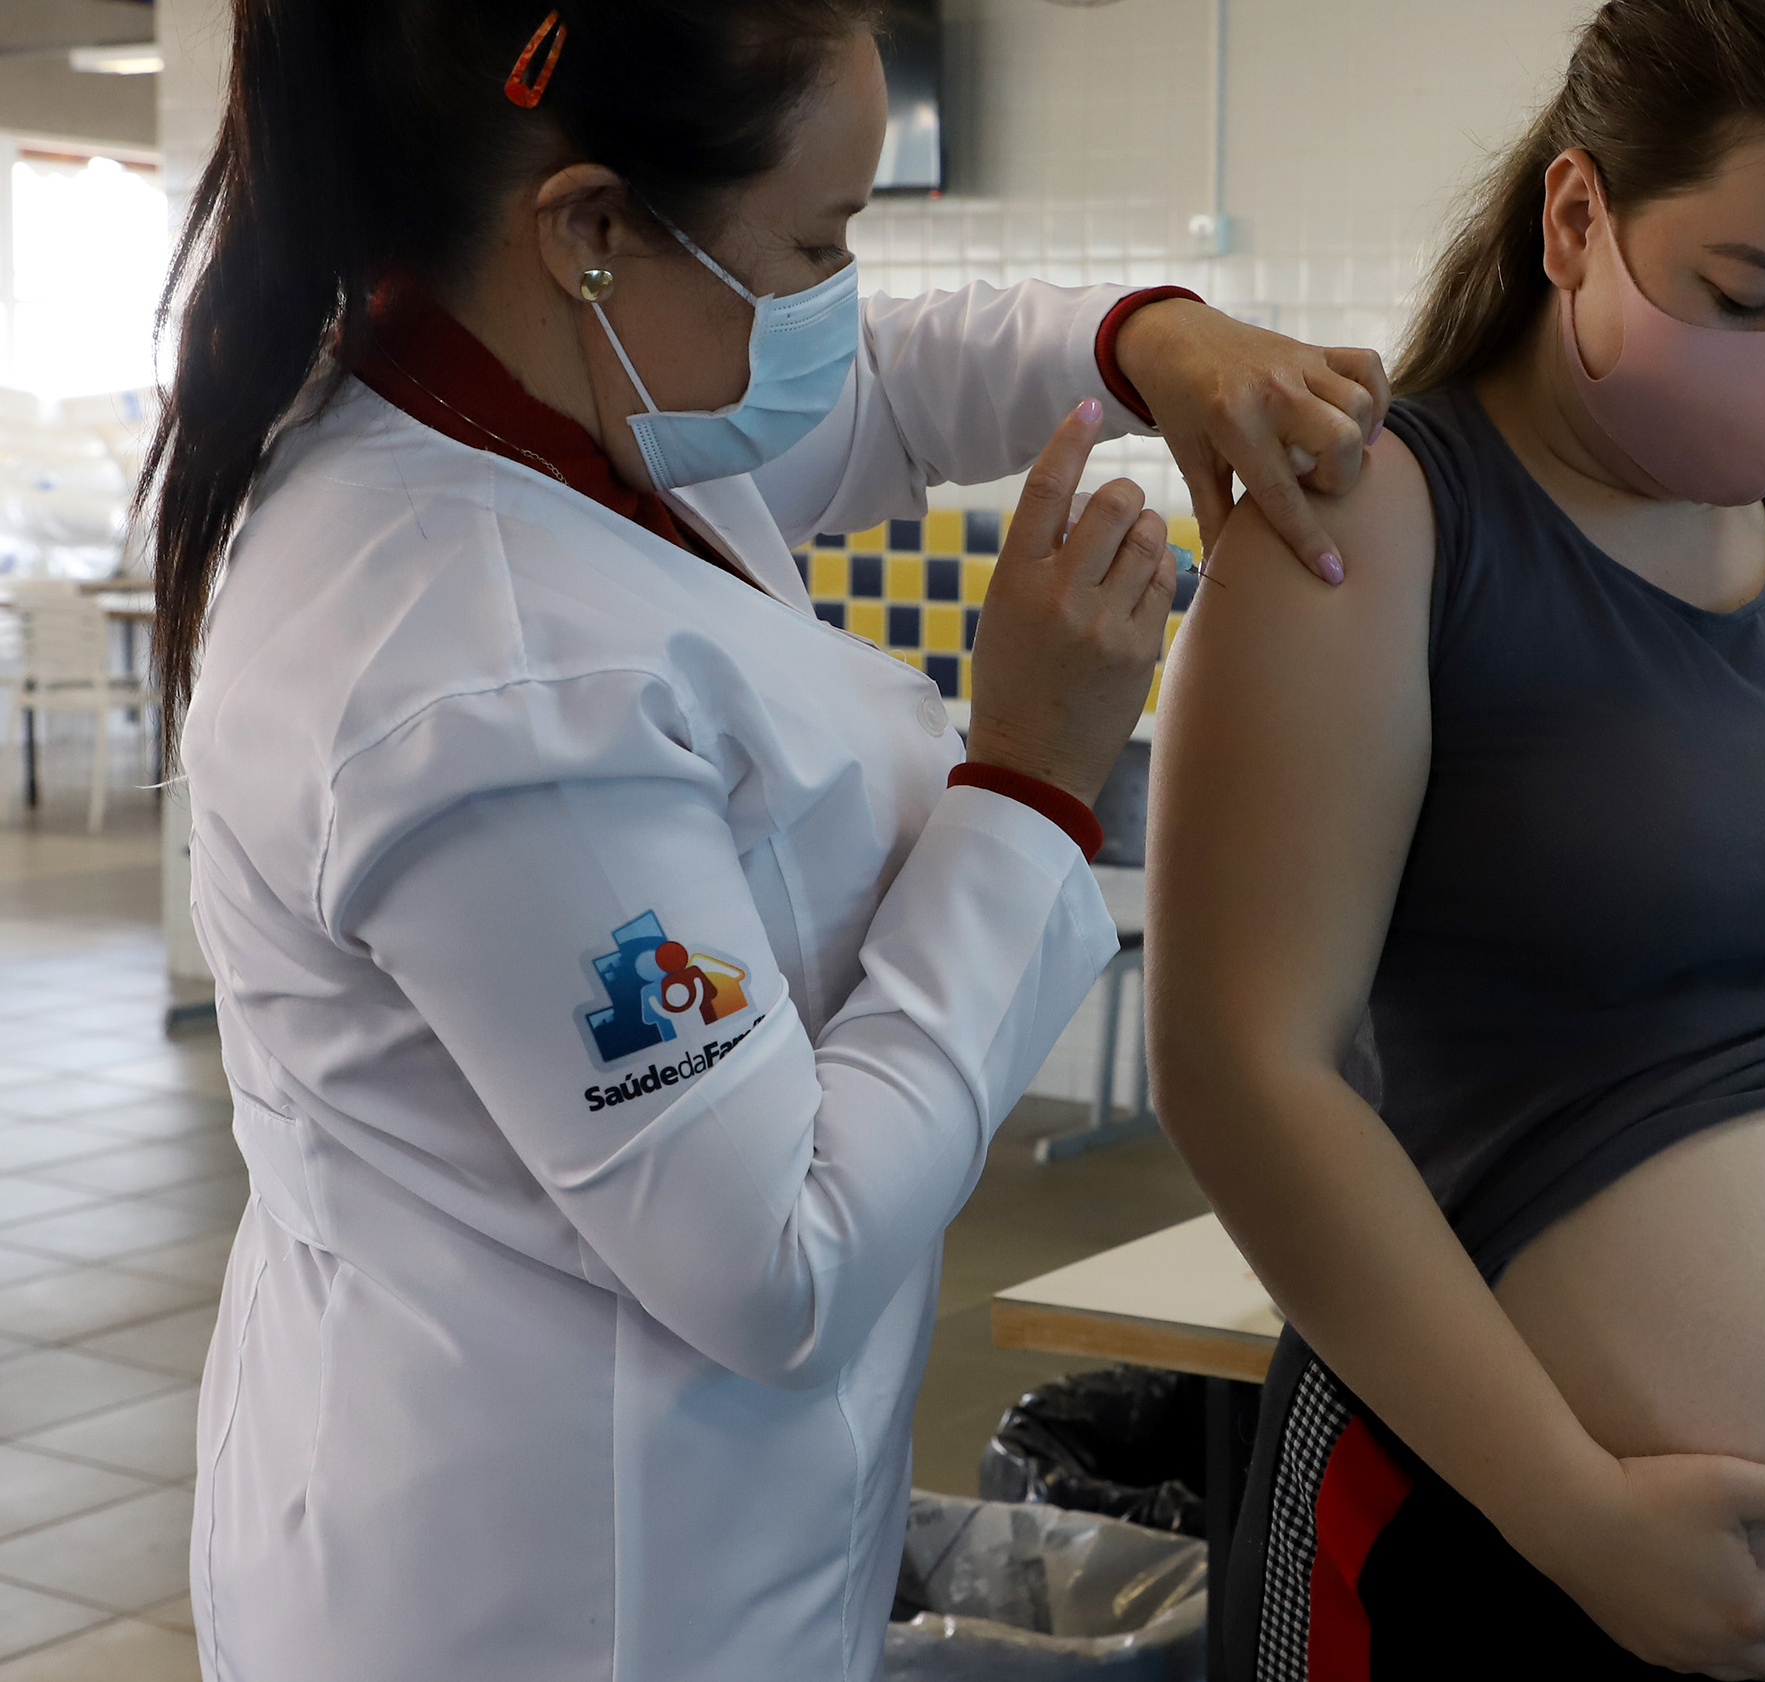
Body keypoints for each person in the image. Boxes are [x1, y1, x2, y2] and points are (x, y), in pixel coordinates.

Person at [148, 3, 1390, 1677]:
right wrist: (1026, 777)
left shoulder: (550, 398)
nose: (839, 297)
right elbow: (777, 1263)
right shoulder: (489, 687)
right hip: (552, 1596)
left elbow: (870, 389)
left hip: (657, 1522)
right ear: (589, 228)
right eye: (816, 241)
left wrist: (1139, 342)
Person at [1145, 2, 1765, 1678]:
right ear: (1576, 218)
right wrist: (1572, 1515)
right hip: (1515, 1554)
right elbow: (1245, 1065)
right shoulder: (1381, 518)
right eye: (1748, 296)